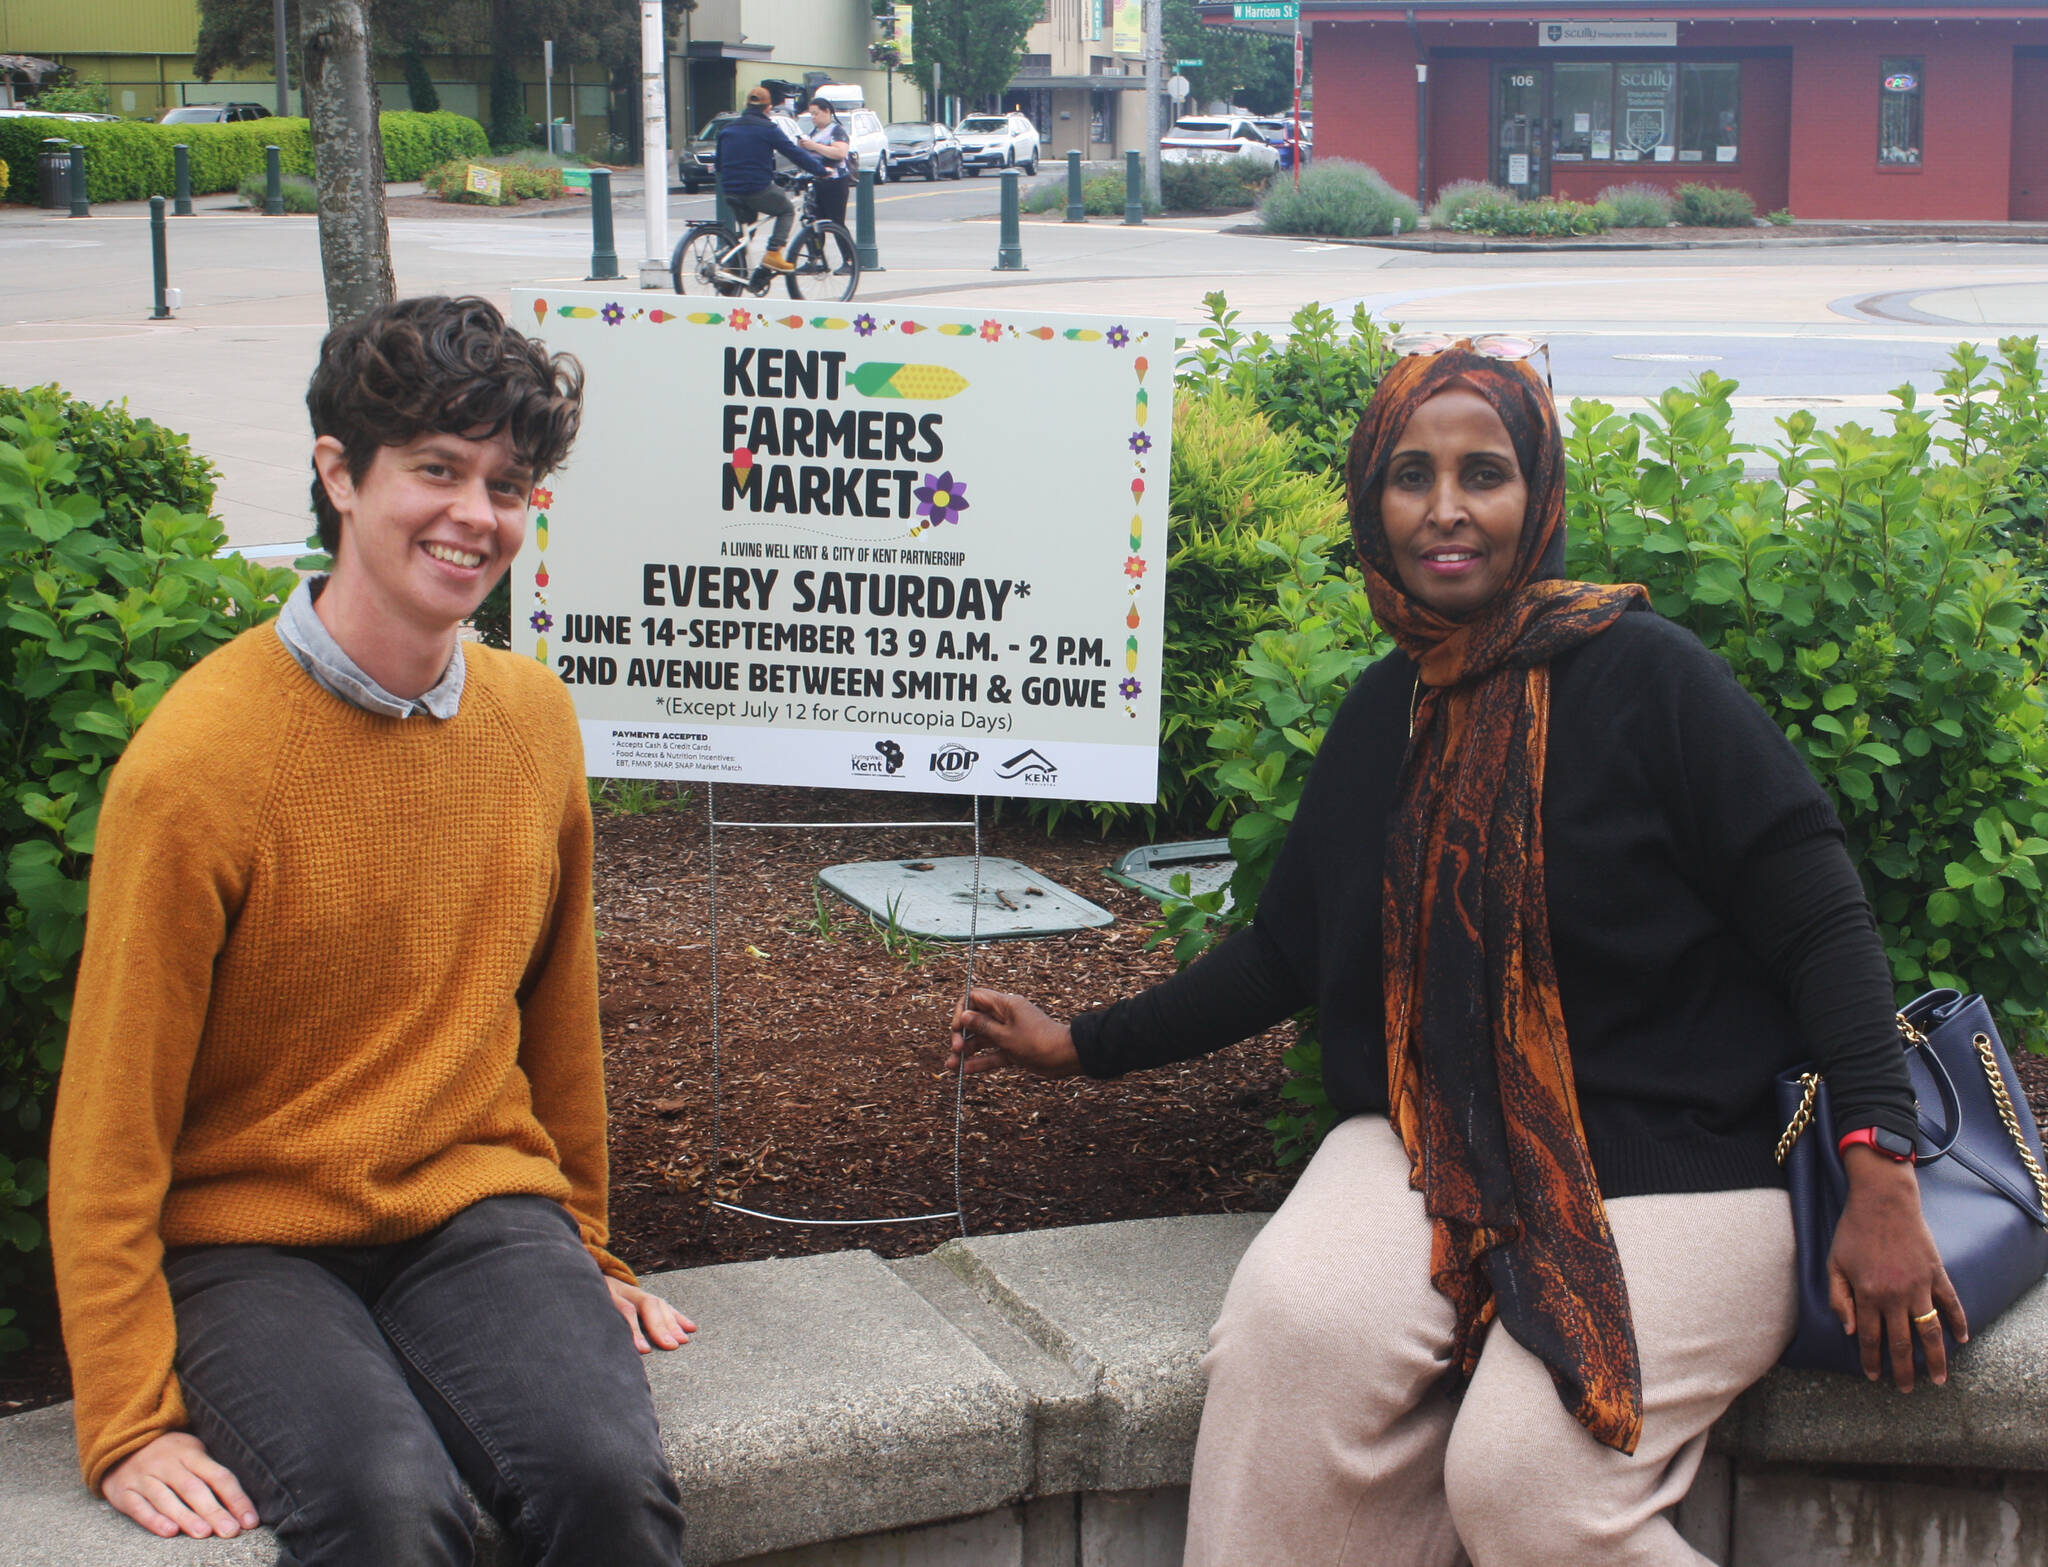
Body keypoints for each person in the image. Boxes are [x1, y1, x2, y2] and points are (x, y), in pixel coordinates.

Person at [948, 340, 1961, 1566]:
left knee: (1525, 1483)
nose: (1443, 510)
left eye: (1481, 473)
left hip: (1679, 1161)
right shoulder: (1385, 710)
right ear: (1369, 499)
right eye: (1408, 475)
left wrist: (1879, 1168)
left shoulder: (1650, 679)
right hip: (1436, 1133)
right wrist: (1083, 1046)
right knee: (1290, 1335)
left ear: (1534, 493)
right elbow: (1289, 949)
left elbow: (1820, 922)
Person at [48, 295, 694, 1565]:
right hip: (245, 1242)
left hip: (476, 1210)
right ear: (339, 474)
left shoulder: (533, 719)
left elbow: (558, 1018)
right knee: (384, 1509)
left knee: (607, 1477)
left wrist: (586, 1250)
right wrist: (127, 1418)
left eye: (507, 485)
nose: (475, 515)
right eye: (437, 471)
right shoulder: (199, 763)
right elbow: (111, 1116)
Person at [717, 83, 829, 272]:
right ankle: (774, 253)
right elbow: (794, 152)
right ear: (768, 108)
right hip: (755, 188)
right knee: (786, 209)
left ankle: (730, 270)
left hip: (730, 190)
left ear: (747, 105)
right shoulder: (768, 128)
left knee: (747, 230)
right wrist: (820, 170)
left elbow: (719, 164)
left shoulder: (728, 129)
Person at [797, 94, 853, 229]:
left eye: (816, 114)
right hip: (816, 181)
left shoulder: (836, 131)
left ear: (827, 112)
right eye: (811, 114)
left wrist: (814, 146)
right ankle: (817, 250)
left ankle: (848, 250)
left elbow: (840, 152)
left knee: (836, 222)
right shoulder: (813, 132)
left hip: (835, 181)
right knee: (814, 224)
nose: (813, 117)